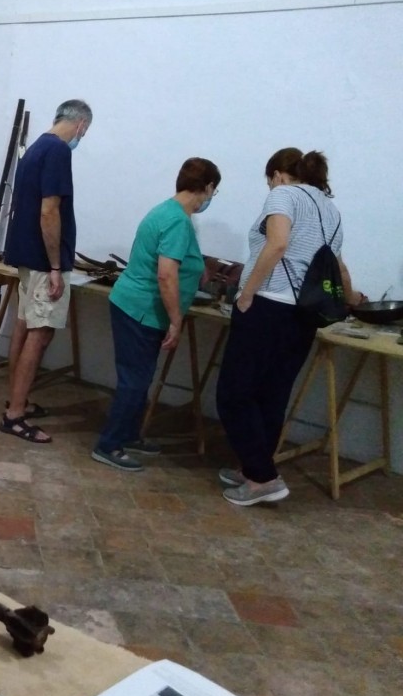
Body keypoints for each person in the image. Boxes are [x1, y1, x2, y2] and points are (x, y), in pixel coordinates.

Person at [216, 148, 363, 506]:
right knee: (271, 395)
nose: (270, 187)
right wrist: (350, 299)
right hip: (303, 317)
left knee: (234, 394)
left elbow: (278, 242)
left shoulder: (284, 195)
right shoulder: (331, 209)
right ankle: (254, 468)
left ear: (278, 174)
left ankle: (263, 478)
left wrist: (247, 294)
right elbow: (337, 265)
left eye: (270, 180)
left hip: (268, 305)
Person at [91, 158, 221, 472]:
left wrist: (199, 270)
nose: (212, 197)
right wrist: (176, 320)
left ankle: (129, 434)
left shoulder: (169, 211)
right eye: (214, 190)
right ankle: (109, 445)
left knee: (141, 376)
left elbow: (176, 262)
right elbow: (166, 275)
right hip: (141, 309)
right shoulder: (177, 220)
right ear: (206, 187)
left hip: (138, 306)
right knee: (134, 380)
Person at [0, 99, 93, 444]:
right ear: (81, 125)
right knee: (40, 335)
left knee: (25, 328)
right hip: (43, 261)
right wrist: (56, 266)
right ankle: (14, 416)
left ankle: (17, 400)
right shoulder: (57, 152)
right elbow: (49, 212)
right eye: (86, 131)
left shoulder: (36, 147)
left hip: (26, 257)